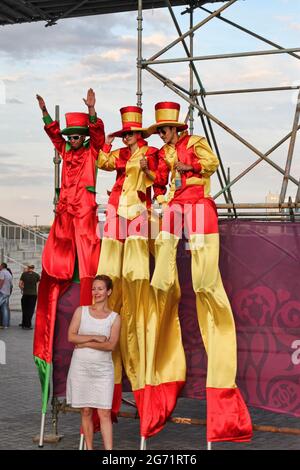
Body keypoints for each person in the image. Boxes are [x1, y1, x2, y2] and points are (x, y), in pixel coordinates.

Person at [141, 101, 252, 442]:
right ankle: (162, 279)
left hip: (198, 202)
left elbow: (212, 164)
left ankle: (203, 282)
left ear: (177, 128)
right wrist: (148, 169)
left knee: (204, 273)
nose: (162, 135)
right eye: (159, 131)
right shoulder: (162, 153)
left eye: (165, 129)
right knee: (164, 241)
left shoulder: (194, 142)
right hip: (175, 203)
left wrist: (189, 164)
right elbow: (160, 180)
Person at [34, 90, 105, 376]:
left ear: (83, 137)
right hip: (65, 209)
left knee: (87, 251)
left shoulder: (91, 151)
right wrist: (45, 113)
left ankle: (88, 294)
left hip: (84, 209)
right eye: (70, 137)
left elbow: (98, 136)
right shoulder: (65, 150)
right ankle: (59, 277)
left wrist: (92, 110)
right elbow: (54, 136)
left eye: (77, 136)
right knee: (58, 253)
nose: (73, 140)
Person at [96, 106, 162, 413]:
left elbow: (159, 178)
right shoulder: (121, 155)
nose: (128, 138)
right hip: (116, 207)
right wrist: (107, 142)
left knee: (135, 268)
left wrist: (148, 172)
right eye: (125, 135)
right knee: (111, 266)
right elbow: (102, 162)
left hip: (137, 208)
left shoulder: (151, 152)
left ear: (138, 134)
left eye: (129, 134)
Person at [66, 275, 121, 450]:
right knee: (86, 411)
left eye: (100, 289)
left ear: (109, 291)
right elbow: (71, 336)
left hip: (103, 370)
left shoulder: (114, 317)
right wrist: (95, 338)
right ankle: (89, 448)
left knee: (104, 412)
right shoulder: (80, 311)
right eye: (94, 288)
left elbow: (111, 345)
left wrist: (83, 343)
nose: (96, 292)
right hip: (80, 367)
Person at [19, 264, 40, 330]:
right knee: (30, 310)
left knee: (24, 309)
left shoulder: (24, 274)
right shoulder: (37, 275)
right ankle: (28, 325)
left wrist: (23, 289)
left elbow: (20, 284)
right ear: (33, 268)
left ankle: (24, 323)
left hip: (25, 294)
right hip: (33, 295)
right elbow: (38, 285)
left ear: (28, 268)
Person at [0, 262, 13, 329]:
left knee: (4, 309)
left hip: (2, 292)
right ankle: (6, 324)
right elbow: (11, 285)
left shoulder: (2, 272)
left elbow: (1, 281)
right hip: (7, 293)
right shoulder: (9, 273)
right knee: (5, 309)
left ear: (2, 266)